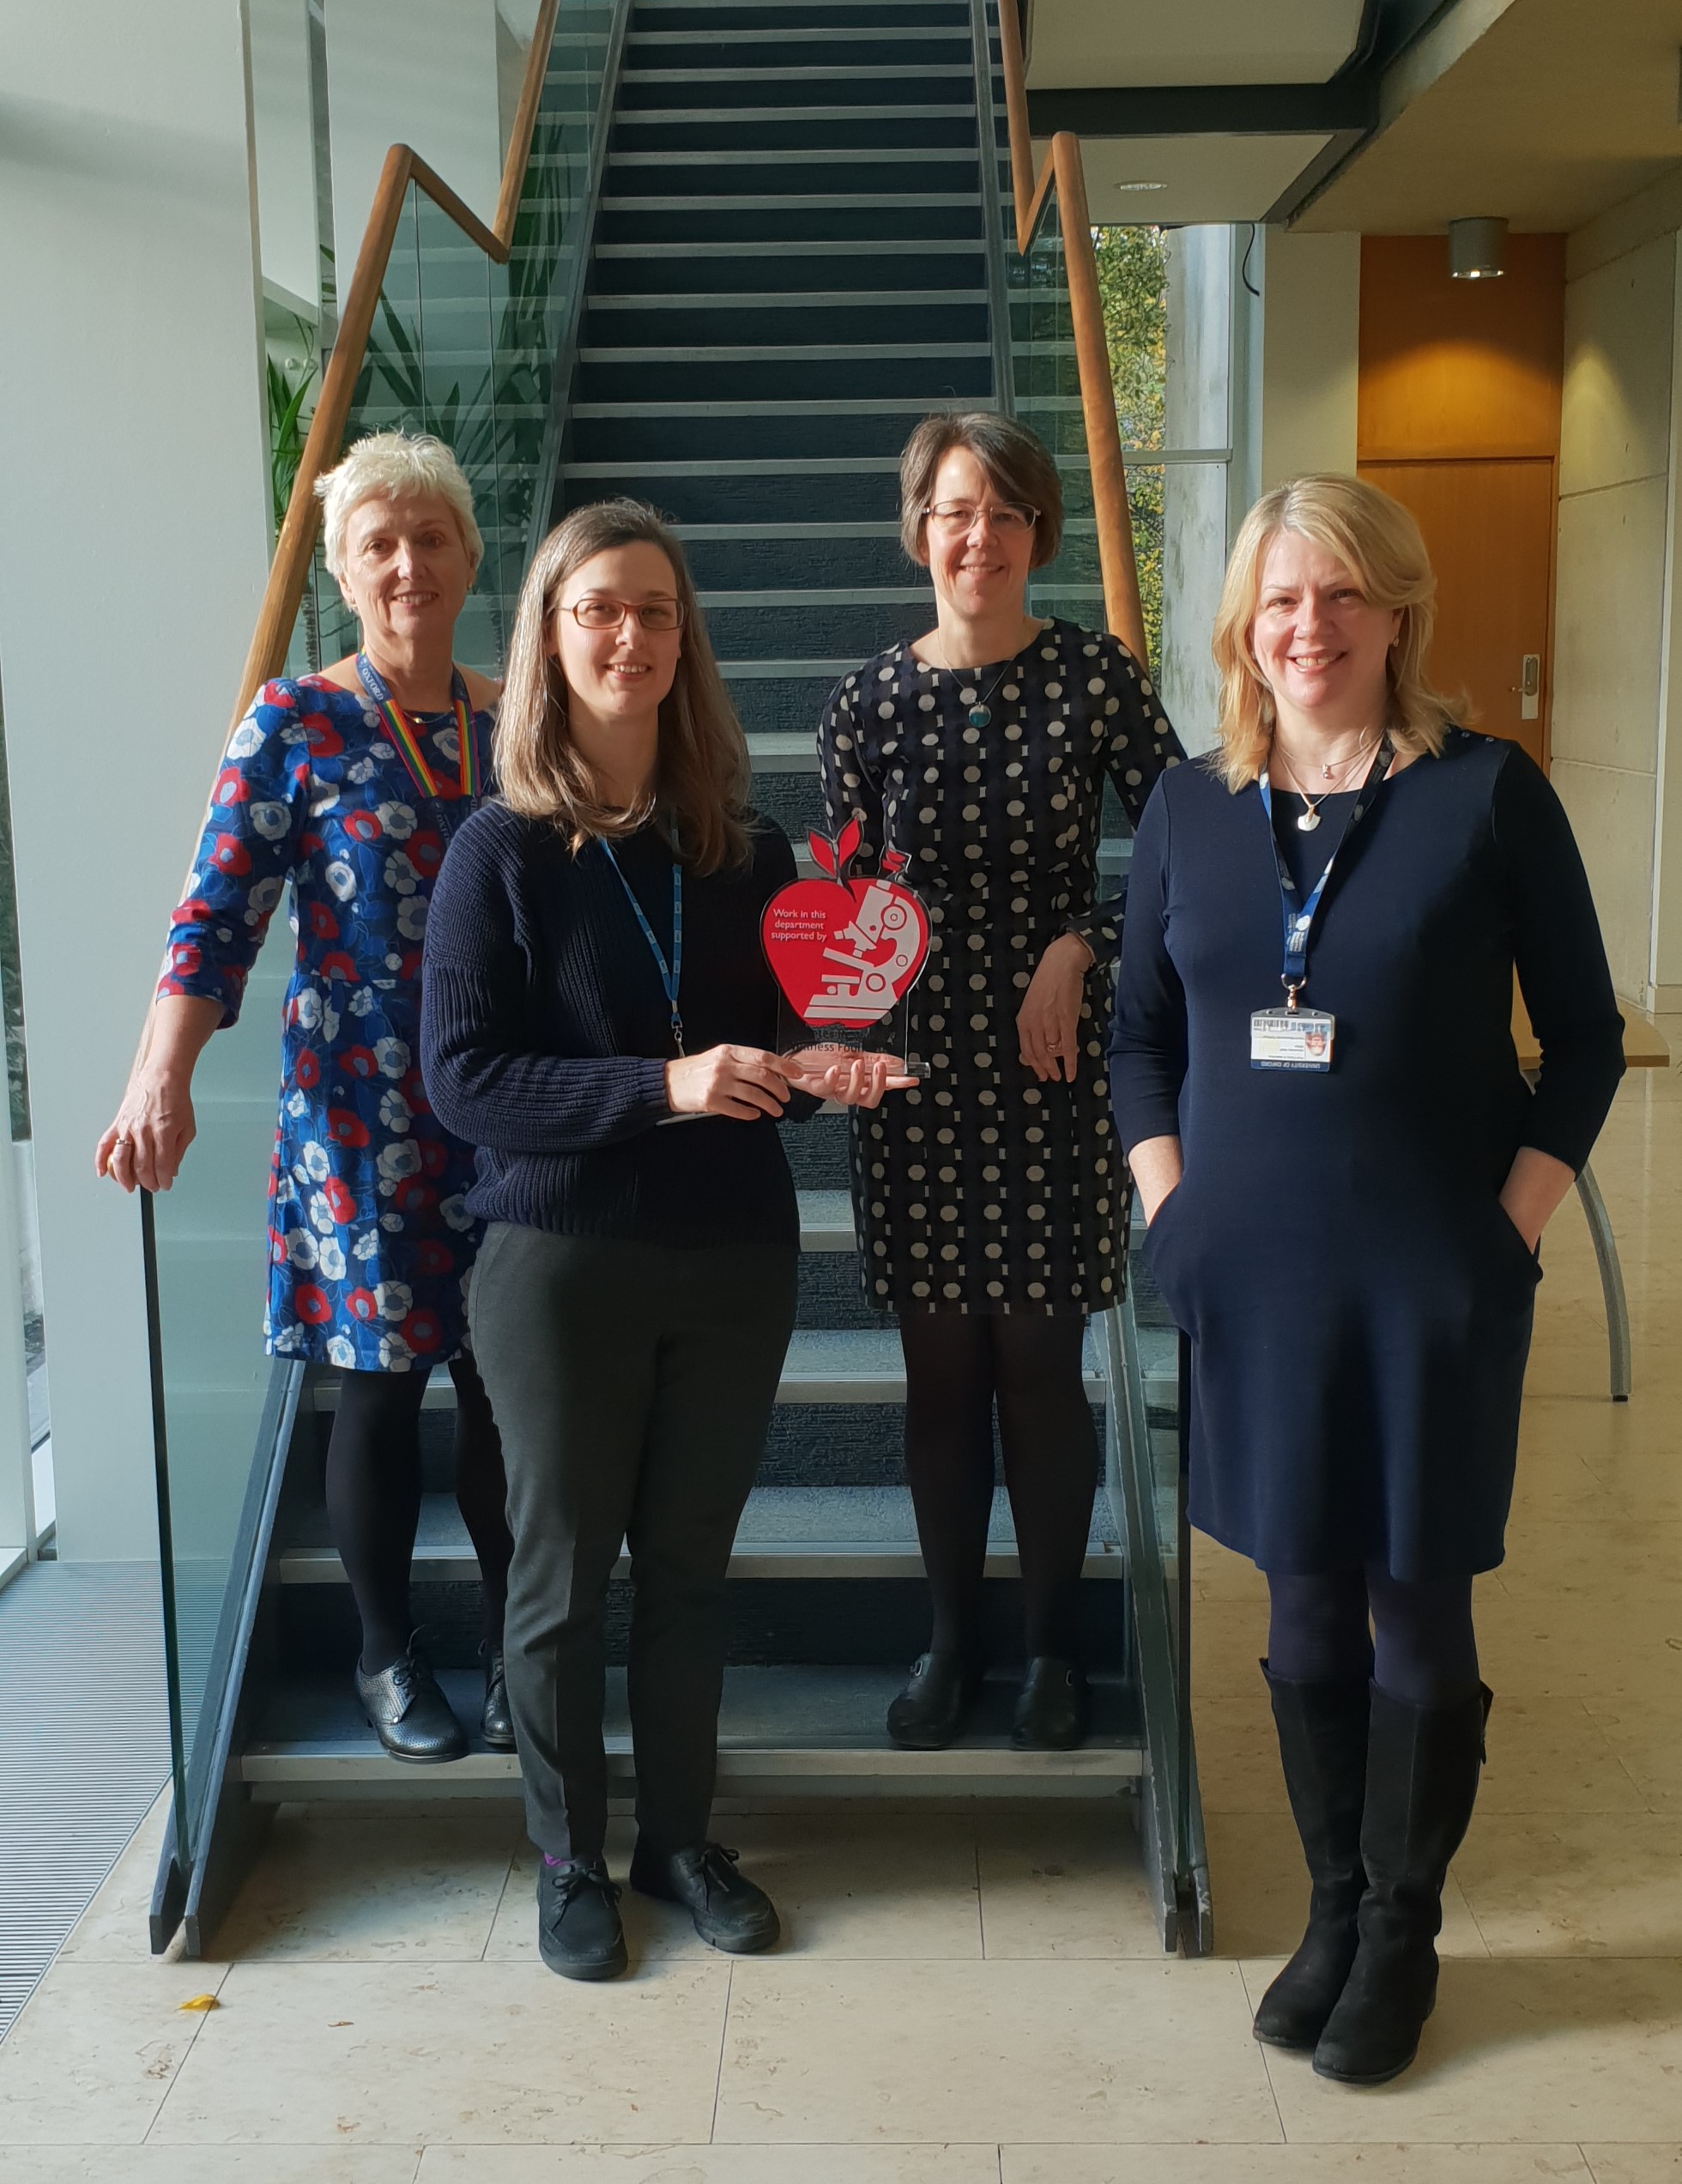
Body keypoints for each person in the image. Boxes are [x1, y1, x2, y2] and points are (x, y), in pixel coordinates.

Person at [1110, 474, 1625, 2085]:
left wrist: (1514, 1223)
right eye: (1279, 600)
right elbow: (1138, 1038)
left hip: (1427, 1283)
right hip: (1249, 1280)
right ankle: (1331, 1904)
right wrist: (1172, 1209)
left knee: (1414, 1594)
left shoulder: (1484, 793)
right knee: (1297, 1584)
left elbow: (1590, 1037)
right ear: (1242, 627)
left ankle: (1404, 1927)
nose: (1308, 627)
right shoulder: (1192, 804)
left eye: (1340, 596)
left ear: (1397, 612)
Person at [421, 497, 905, 1981]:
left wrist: (820, 1068)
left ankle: (678, 1841)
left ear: (685, 641)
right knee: (561, 1577)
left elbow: (763, 1057)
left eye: (655, 611)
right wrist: (662, 1085)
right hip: (558, 1261)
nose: (629, 636)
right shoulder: (499, 851)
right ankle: (570, 1860)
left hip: (732, 1255)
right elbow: (464, 1080)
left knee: (691, 1570)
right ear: (551, 640)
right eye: (597, 612)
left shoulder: (742, 850)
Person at [97, 433, 516, 1765]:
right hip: (359, 1116)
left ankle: (521, 1651)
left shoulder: (517, 719)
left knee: (511, 1390)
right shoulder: (295, 720)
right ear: (343, 571)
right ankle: (388, 1657)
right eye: (377, 545)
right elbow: (215, 917)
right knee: (380, 1398)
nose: (408, 565)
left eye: (430, 538)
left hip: (509, 1107)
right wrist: (159, 1077)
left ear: (469, 556)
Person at [818, 412, 1182, 1752]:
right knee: (937, 1375)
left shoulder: (1095, 679)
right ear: (920, 526)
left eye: (1006, 512)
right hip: (915, 1073)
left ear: (1040, 532)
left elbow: (1180, 854)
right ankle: (949, 1643)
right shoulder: (865, 702)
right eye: (956, 510)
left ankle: (1047, 1652)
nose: (980, 536)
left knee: (1037, 1365)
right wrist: (841, 1036)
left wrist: (1082, 945)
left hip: (1048, 1061)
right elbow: (845, 897)